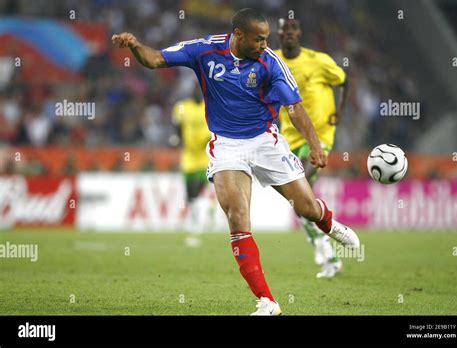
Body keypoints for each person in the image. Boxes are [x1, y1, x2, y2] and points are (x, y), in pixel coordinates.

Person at [112, 8, 359, 316]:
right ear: (238, 35)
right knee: (237, 215)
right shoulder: (205, 49)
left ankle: (331, 225)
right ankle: (267, 301)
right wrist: (135, 45)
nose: (265, 44)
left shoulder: (271, 63)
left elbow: (294, 109)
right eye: (259, 39)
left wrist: (314, 146)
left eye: (267, 38)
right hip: (227, 145)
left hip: (265, 140)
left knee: (306, 208)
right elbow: (157, 59)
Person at [275, 18, 349, 278]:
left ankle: (325, 249)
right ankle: (322, 245)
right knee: (299, 200)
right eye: (284, 31)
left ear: (299, 33)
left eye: (293, 30)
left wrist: (339, 112)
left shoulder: (319, 60)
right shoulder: (272, 61)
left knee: (303, 184)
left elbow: (343, 81)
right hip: (288, 139)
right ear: (279, 35)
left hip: (321, 137)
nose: (289, 35)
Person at [172, 82, 212, 247]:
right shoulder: (181, 107)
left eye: (199, 90)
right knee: (190, 195)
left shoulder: (209, 107)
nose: (197, 93)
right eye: (194, 89)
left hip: (204, 157)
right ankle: (202, 215)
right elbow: (177, 126)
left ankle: (196, 226)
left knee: (196, 188)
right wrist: (176, 139)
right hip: (188, 156)